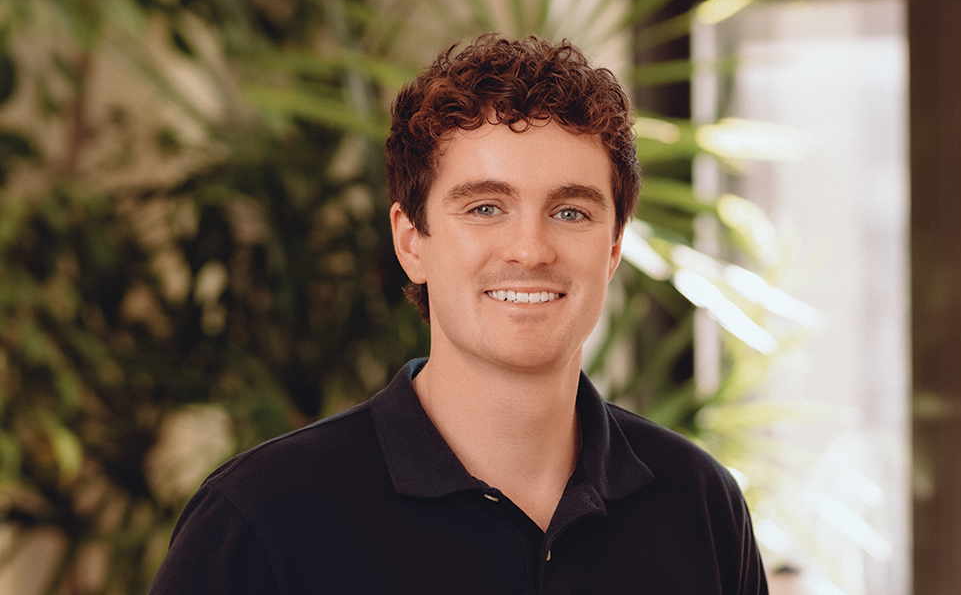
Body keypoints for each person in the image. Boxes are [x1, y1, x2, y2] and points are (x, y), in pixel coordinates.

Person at [147, 34, 769, 594]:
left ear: (611, 250)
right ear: (411, 241)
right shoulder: (262, 517)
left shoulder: (702, 507)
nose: (530, 250)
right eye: (485, 208)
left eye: (570, 211)